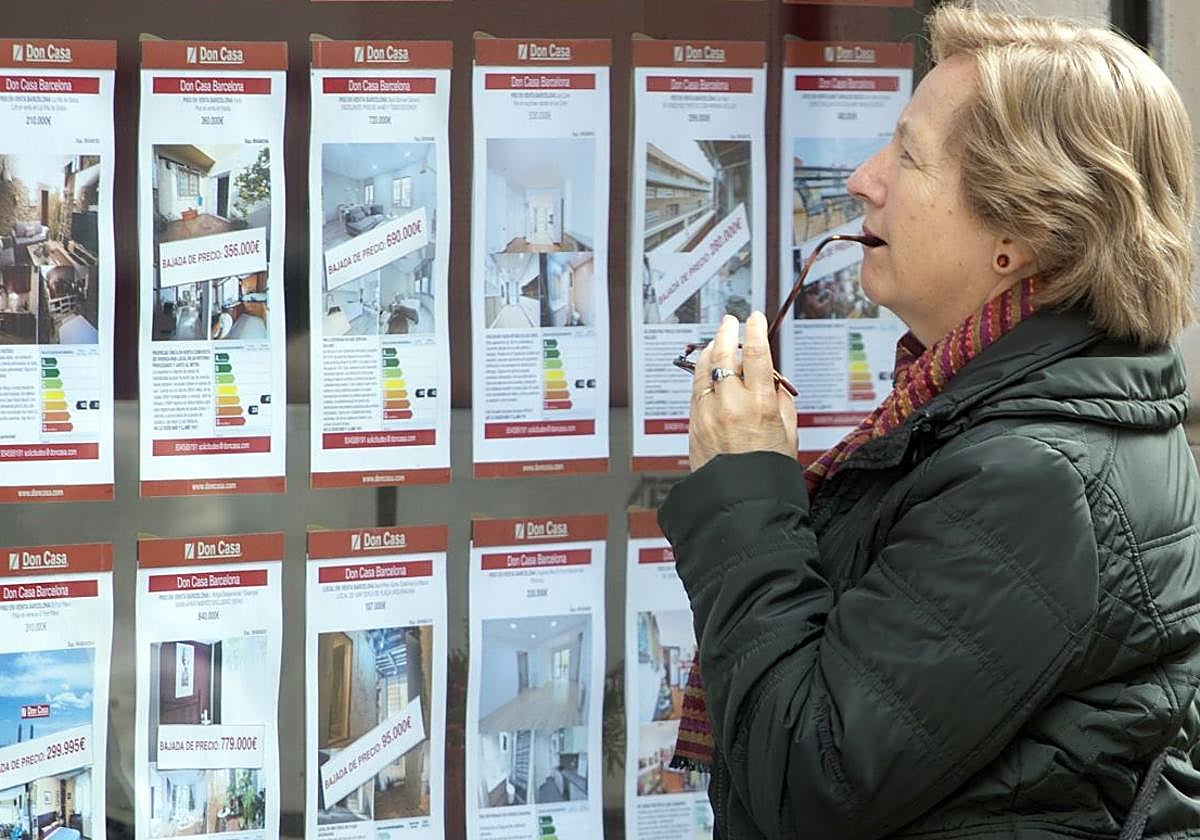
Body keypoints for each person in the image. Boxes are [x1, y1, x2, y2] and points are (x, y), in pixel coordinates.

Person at [658, 5, 1200, 839]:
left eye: (908, 156)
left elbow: (810, 781)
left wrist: (748, 485)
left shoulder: (1036, 479)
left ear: (1020, 233)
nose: (863, 179)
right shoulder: (1002, 415)